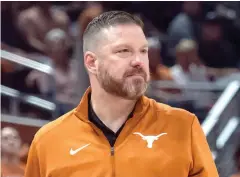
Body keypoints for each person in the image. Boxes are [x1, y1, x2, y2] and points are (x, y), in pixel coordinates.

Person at [25, 11, 219, 177]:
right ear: (92, 63)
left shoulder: (184, 127)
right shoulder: (48, 141)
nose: (138, 62)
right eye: (124, 51)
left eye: (143, 51)